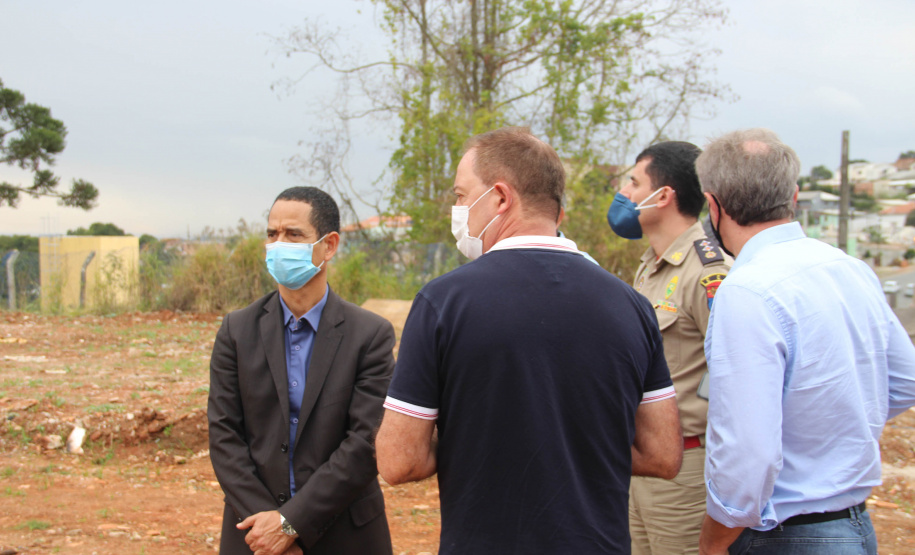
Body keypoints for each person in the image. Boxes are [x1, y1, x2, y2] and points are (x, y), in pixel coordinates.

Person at [375, 126, 683, 554]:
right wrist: (574, 444)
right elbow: (663, 454)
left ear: (500, 198)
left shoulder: (443, 303)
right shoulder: (631, 305)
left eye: (461, 196)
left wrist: (479, 438)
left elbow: (398, 460)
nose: (458, 209)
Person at [694, 128, 915, 555]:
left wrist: (714, 539)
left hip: (785, 534)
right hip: (854, 523)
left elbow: (749, 452)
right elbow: (905, 380)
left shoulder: (746, 291)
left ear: (713, 205)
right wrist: (833, 426)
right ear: (792, 195)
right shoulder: (850, 268)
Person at [207, 187, 395, 555]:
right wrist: (269, 528)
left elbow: (364, 443)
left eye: (293, 235)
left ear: (329, 245)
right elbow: (224, 435)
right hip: (254, 535)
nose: (279, 244)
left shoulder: (369, 336)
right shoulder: (237, 330)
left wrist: (291, 523)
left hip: (345, 535)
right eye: (272, 234)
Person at [608, 141, 731, 554]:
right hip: (642, 461)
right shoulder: (651, 264)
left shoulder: (708, 273)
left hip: (687, 466)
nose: (623, 192)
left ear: (664, 195)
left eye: (633, 181)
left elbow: (736, 375)